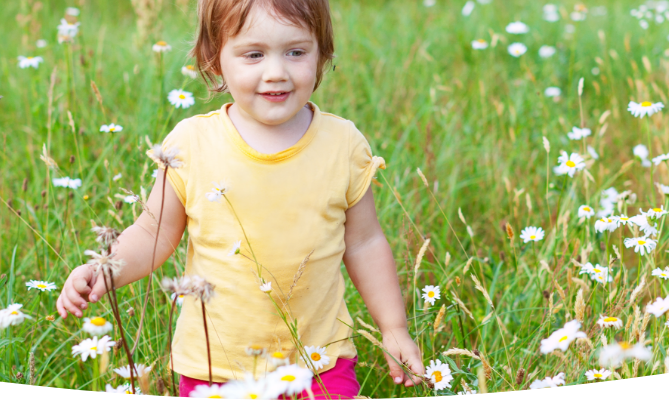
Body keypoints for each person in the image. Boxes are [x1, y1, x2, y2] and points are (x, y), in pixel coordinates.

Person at [56, 0, 423, 397]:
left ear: (322, 53)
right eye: (254, 55)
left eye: (296, 52)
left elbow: (365, 242)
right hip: (218, 365)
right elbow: (154, 233)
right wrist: (106, 268)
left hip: (320, 360)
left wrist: (393, 328)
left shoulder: (343, 145)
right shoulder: (192, 145)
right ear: (214, 59)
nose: (276, 73)